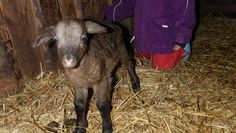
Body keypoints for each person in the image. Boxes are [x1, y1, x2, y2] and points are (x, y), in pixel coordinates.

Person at [104, 0, 196, 70]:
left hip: (166, 38)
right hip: (145, 36)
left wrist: (180, 40)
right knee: (139, 61)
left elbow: (185, 16)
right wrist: (107, 17)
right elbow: (126, 4)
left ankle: (183, 51)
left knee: (161, 66)